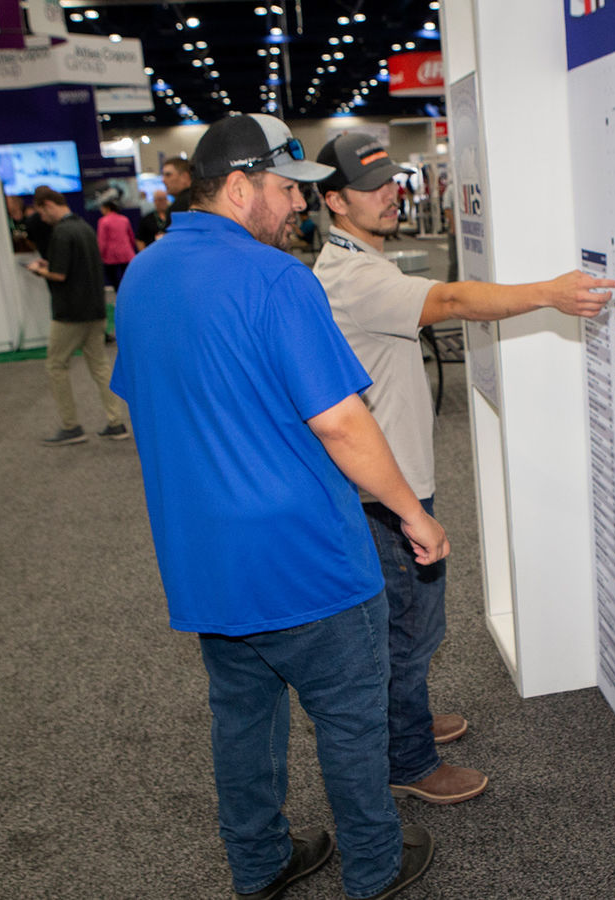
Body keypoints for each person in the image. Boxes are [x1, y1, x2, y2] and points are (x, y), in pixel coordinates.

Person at [111, 113, 443, 900]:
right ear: (238, 186)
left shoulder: (143, 276)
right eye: (287, 188)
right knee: (351, 719)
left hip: (205, 560)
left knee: (243, 719)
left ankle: (258, 863)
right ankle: (374, 865)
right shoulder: (277, 279)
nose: (299, 204)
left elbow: (152, 403)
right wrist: (412, 512)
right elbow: (341, 421)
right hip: (306, 555)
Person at [312, 133, 615, 806]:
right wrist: (550, 293)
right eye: (369, 187)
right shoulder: (356, 277)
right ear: (333, 200)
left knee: (408, 623)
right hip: (383, 491)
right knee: (409, 629)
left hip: (382, 480)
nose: (388, 195)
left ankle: (408, 722)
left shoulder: (356, 263)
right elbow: (451, 302)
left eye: (390, 181)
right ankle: (409, 760)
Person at [24, 188, 128, 445]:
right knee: (100, 366)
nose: (42, 218)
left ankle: (71, 426)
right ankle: (116, 422)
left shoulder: (61, 232)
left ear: (48, 205)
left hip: (70, 313)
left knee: (56, 365)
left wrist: (38, 270)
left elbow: (60, 274)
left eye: (41, 213)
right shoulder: (84, 227)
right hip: (95, 309)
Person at [96, 199, 136, 291]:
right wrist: (131, 249)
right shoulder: (124, 219)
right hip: (127, 254)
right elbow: (131, 236)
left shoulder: (103, 221)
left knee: (113, 279)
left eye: (102, 208)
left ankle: (120, 294)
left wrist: (100, 254)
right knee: (128, 277)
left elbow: (102, 240)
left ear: (107, 208)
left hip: (111, 256)